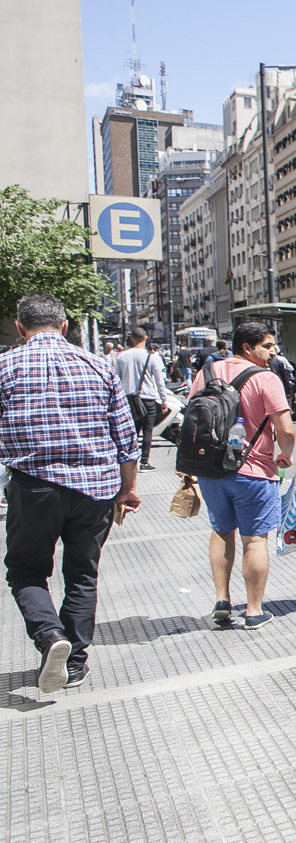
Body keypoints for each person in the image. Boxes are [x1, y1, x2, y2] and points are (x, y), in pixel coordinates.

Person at [0, 292, 141, 692]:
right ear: (64, 326)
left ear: (20, 328)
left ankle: (50, 637)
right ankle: (75, 663)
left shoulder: (4, 366)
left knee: (26, 571)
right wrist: (128, 489)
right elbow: (126, 440)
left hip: (34, 487)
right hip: (96, 488)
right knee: (82, 575)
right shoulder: (99, 366)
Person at [185, 321, 295, 630]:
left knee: (221, 531)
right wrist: (285, 454)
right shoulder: (265, 378)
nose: (273, 351)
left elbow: (192, 420)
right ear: (247, 348)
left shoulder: (205, 374)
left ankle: (222, 600)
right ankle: (254, 610)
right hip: (255, 471)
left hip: (212, 470)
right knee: (255, 540)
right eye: (267, 346)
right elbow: (285, 428)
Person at [114, 327, 168, 471]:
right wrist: (164, 400)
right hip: (147, 399)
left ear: (131, 338)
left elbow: (116, 380)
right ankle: (145, 461)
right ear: (145, 338)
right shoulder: (152, 357)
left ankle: (130, 462)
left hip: (128, 399)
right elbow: (159, 381)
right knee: (147, 431)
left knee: (132, 431)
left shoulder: (121, 356)